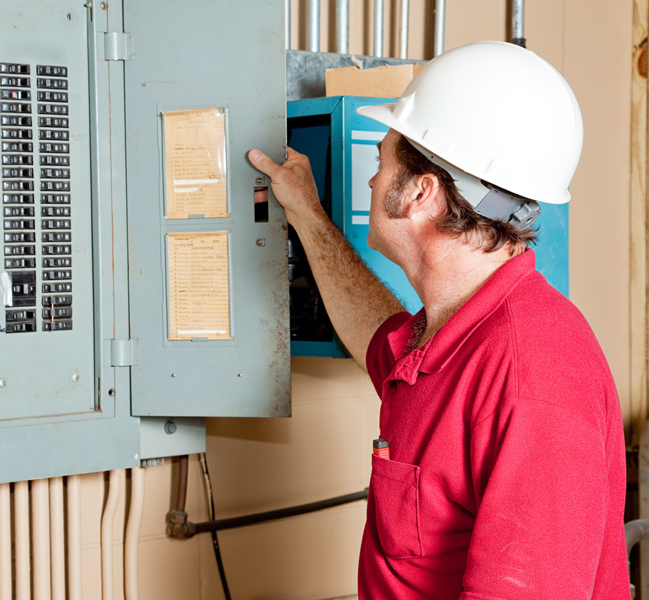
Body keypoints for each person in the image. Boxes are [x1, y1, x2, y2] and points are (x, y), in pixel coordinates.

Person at [249, 41, 629, 598]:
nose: (374, 182)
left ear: (422, 193)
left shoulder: (534, 376)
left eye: (382, 163)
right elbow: (373, 332)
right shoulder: (446, 335)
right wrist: (307, 214)